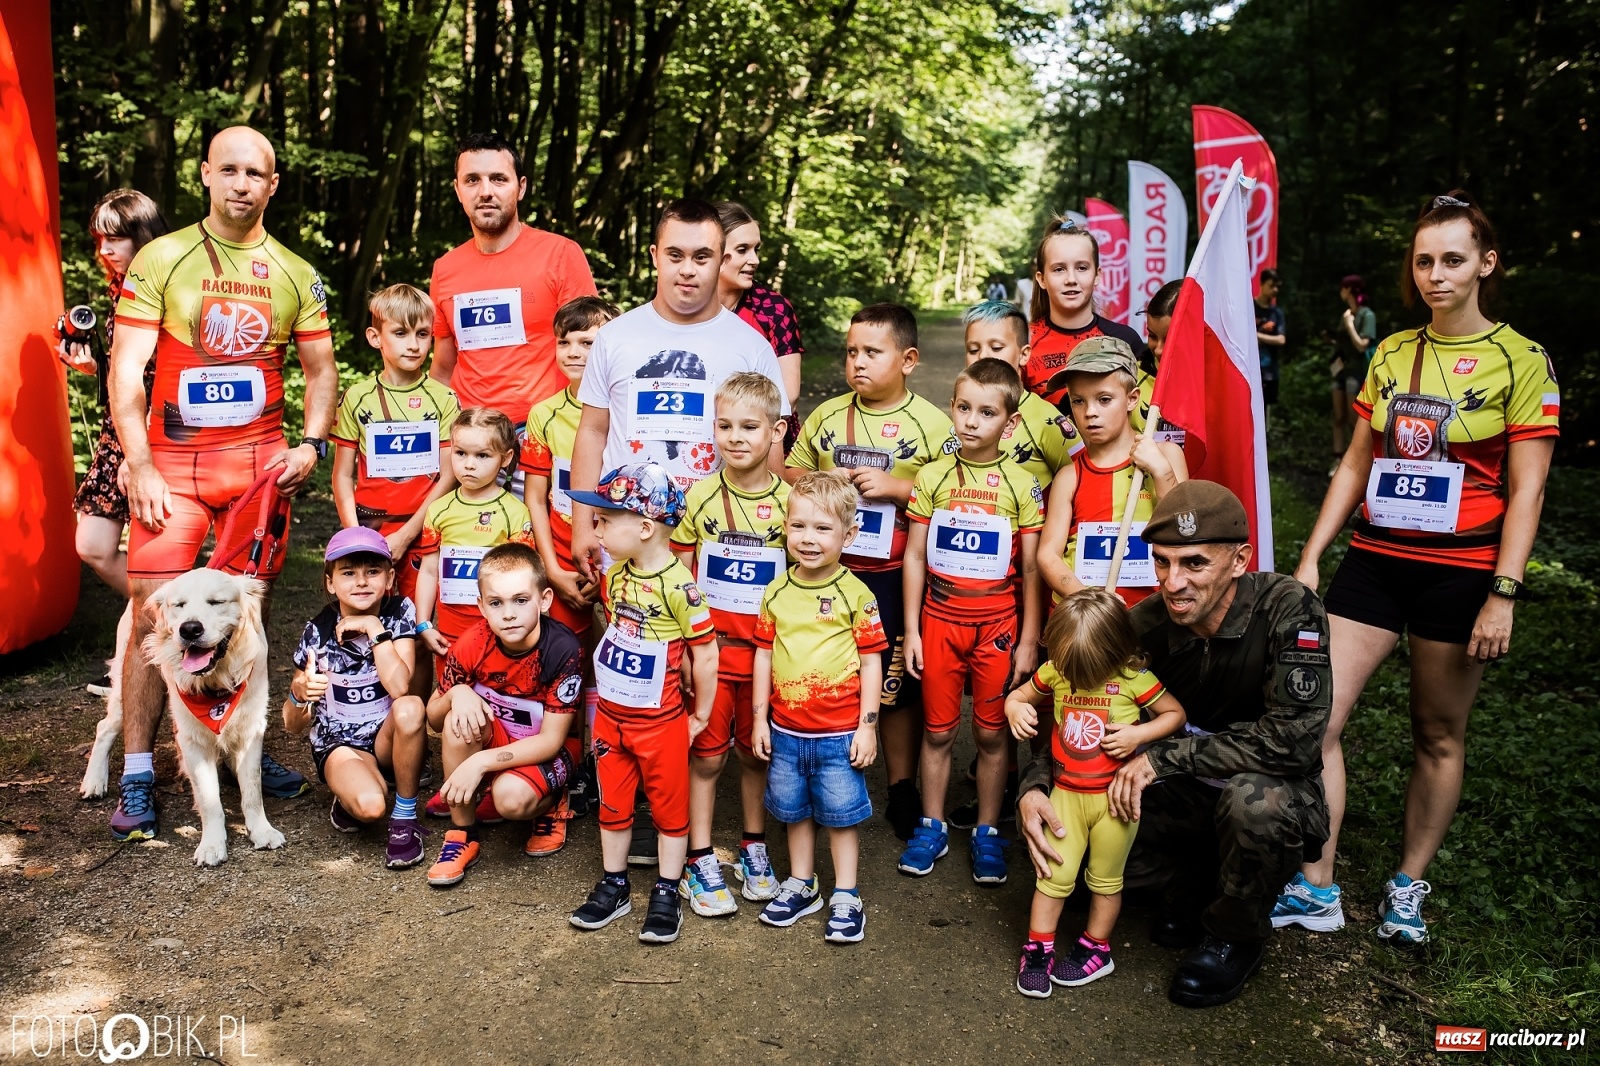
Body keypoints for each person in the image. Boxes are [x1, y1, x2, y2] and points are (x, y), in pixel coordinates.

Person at [1275, 193, 1558, 945]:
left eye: (1453, 260)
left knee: (1436, 732)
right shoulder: (1394, 350)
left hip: (1460, 572)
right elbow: (1355, 464)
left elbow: (1527, 489)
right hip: (1374, 559)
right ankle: (1317, 885)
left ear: (1485, 265)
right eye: (1425, 260)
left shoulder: (1522, 360)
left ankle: (1406, 887)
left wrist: (1504, 592)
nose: (1436, 274)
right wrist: (1310, 555)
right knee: (1316, 717)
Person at [1016, 481, 1332, 1009]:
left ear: (1239, 560)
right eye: (1161, 562)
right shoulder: (1146, 625)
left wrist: (1161, 757)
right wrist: (1034, 787)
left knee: (1257, 805)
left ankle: (1235, 934)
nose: (1172, 582)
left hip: (1261, 790)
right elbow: (1074, 707)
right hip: (1178, 792)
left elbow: (1295, 742)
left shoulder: (1288, 609)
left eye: (1194, 564)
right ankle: (1195, 882)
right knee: (1069, 858)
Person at [108, 125, 338, 840]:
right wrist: (138, 461)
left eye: (256, 173)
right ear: (206, 174)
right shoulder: (164, 256)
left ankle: (247, 746)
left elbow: (322, 371)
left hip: (257, 469)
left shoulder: (296, 272)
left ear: (274, 185)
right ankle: (140, 773)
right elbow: (124, 369)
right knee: (156, 614)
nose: (242, 183)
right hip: (172, 469)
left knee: (246, 611)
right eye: (229, 169)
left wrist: (311, 443)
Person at [568, 198, 788, 865]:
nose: (688, 271)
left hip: (718, 542)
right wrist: (584, 523)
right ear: (655, 256)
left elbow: (771, 460)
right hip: (634, 542)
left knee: (703, 666)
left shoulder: (749, 344)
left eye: (703, 257)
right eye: (675, 256)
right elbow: (593, 430)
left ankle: (694, 821)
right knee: (636, 670)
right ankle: (632, 810)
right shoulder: (618, 336)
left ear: (723, 260)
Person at [786, 303, 954, 841]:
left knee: (894, 681)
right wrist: (824, 477)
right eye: (851, 351)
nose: (857, 362)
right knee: (829, 666)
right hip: (831, 571)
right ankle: (824, 766)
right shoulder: (828, 415)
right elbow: (787, 469)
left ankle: (901, 783)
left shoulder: (933, 423)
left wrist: (899, 489)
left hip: (892, 571)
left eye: (872, 352)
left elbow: (959, 490)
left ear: (907, 360)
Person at [900, 358, 1043, 884]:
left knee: (990, 734)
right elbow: (914, 556)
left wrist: (1029, 640)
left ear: (1008, 424)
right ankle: (932, 824)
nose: (971, 420)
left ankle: (986, 830)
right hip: (940, 620)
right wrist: (912, 629)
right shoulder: (933, 476)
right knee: (937, 732)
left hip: (997, 626)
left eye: (986, 412)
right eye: (963, 408)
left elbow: (1031, 568)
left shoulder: (1022, 484)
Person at [1005, 589, 1187, 997]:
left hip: (1115, 801)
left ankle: (1096, 947)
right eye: (1072, 670)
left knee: (1106, 880)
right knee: (1052, 874)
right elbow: (1018, 695)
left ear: (1118, 651)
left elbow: (1175, 715)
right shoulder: (1056, 670)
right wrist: (1015, 708)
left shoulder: (1133, 678)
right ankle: (1038, 947)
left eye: (1088, 670)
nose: (1078, 678)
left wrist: (1140, 733)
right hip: (1065, 795)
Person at [566, 463, 718, 945]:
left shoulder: (681, 587)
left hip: (661, 722)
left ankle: (667, 889)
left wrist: (701, 714)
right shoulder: (615, 578)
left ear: (646, 527)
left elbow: (706, 652)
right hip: (611, 718)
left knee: (670, 810)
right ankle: (614, 884)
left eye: (608, 518)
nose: (597, 526)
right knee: (613, 803)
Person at [669, 373, 790, 913]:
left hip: (769, 659)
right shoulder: (698, 497)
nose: (735, 437)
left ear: (775, 431)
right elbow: (679, 578)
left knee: (755, 755)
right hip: (711, 658)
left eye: (749, 426)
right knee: (708, 758)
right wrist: (688, 657)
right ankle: (698, 856)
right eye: (724, 426)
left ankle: (753, 846)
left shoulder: (794, 505)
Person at [751, 470, 887, 943]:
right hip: (786, 730)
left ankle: (846, 894)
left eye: (823, 528)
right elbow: (764, 655)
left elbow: (873, 664)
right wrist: (758, 720)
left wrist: (868, 727)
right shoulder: (776, 592)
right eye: (799, 526)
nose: (808, 539)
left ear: (849, 535)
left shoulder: (856, 595)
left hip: (838, 733)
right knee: (793, 811)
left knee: (840, 815)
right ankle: (801, 882)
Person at [423, 542, 585, 886]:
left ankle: (553, 801)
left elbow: (551, 740)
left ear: (544, 601)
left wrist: (479, 763)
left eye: (520, 600)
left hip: (546, 748)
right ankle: (461, 835)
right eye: (496, 603)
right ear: (482, 606)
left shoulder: (562, 649)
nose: (508, 614)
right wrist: (457, 692)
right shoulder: (472, 642)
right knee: (456, 720)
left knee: (510, 801)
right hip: (500, 738)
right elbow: (434, 719)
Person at [519, 295, 619, 816]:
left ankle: (620, 765)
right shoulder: (544, 413)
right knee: (565, 665)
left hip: (621, 557)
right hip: (562, 554)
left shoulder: (628, 408)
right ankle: (571, 763)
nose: (576, 351)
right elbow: (536, 496)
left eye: (589, 341)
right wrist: (551, 569)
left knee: (626, 662)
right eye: (566, 342)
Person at [282, 527, 427, 869]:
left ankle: (405, 817)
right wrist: (299, 693)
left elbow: (400, 688)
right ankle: (350, 794)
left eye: (372, 572)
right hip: (340, 743)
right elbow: (291, 724)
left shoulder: (398, 611)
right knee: (370, 807)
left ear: (389, 578)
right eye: (348, 573)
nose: (361, 581)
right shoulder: (316, 631)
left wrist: (375, 629)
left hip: (384, 737)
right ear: (331, 582)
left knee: (410, 707)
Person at [429, 132, 598, 420]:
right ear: (458, 190)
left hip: (543, 431)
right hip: (468, 435)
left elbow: (593, 356)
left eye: (498, 179)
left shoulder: (561, 255)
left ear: (520, 187)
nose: (485, 191)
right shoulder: (445, 268)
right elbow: (443, 369)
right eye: (472, 180)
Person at [60, 189, 168, 608]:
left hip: (149, 436)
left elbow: (165, 377)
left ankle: (178, 629)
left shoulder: (161, 290)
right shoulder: (120, 289)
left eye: (115, 239)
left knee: (152, 551)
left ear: (142, 236)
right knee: (93, 545)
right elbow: (130, 370)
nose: (104, 250)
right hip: (116, 437)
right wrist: (94, 369)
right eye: (99, 239)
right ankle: (173, 619)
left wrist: (140, 451)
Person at [330, 283, 460, 612]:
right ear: (375, 337)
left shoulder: (444, 398)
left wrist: (405, 535)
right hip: (370, 528)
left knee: (417, 630)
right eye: (401, 333)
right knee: (367, 626)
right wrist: (356, 537)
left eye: (423, 334)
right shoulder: (357, 397)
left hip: (424, 531)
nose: (414, 345)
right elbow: (342, 475)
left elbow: (449, 476)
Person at [1037, 337, 1186, 611]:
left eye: (1104, 400)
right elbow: (1048, 555)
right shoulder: (1070, 476)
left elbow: (1186, 532)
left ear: (1132, 399)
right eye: (1078, 401)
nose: (1090, 412)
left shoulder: (1166, 455)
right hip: (1088, 623)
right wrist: (1089, 600)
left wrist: (1161, 471)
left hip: (1155, 617)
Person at [414, 407, 534, 712]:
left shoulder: (515, 512)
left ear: (505, 459)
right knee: (456, 712)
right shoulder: (438, 510)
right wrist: (424, 624)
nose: (469, 465)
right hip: (450, 635)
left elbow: (524, 581)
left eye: (482, 456)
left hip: (499, 635)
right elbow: (429, 571)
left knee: (497, 710)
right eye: (460, 453)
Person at [1022, 218, 1149, 410]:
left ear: (1097, 275)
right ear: (1041, 279)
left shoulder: (1125, 340)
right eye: (1059, 269)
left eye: (1082, 268)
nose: (1071, 279)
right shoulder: (1024, 343)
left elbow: (1145, 411)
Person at [962, 299, 1082, 490]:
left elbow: (1083, 477)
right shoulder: (961, 415)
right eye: (973, 349)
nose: (983, 356)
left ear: (1024, 354)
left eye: (996, 348)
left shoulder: (1046, 419)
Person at [715, 201, 804, 407]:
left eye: (756, 249)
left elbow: (789, 394)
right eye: (742, 250)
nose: (754, 260)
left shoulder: (774, 310)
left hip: (761, 430)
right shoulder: (687, 306)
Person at [1330, 273, 1378, 474]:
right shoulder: (1348, 313)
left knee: (1353, 419)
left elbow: (1361, 345)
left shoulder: (1367, 315)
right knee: (1338, 416)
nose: (1341, 292)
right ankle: (1337, 459)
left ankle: (1357, 463)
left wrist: (1349, 324)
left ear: (1349, 289)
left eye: (1343, 288)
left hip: (1357, 373)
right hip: (1340, 371)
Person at [1133, 279, 1186, 442]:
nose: (1158, 349)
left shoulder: (1217, 384)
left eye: (1170, 340)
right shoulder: (1131, 377)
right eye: (1152, 336)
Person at [1254, 269, 1286, 407]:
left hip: (1269, 372)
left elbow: (1281, 340)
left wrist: (1255, 335)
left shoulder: (1277, 313)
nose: (1275, 290)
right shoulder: (1249, 307)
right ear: (1261, 284)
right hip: (1249, 370)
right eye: (1271, 285)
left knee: (1263, 411)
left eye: (1277, 286)